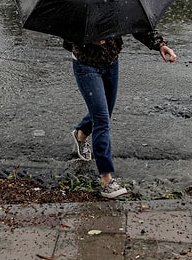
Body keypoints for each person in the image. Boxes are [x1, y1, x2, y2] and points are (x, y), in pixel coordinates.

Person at [65, 31, 177, 198]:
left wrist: (160, 44)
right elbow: (66, 35)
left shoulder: (114, 4)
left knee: (105, 113)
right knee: (102, 120)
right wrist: (87, 38)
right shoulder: (76, 6)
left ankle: (81, 133)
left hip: (111, 63)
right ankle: (106, 179)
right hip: (85, 64)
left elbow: (135, 23)